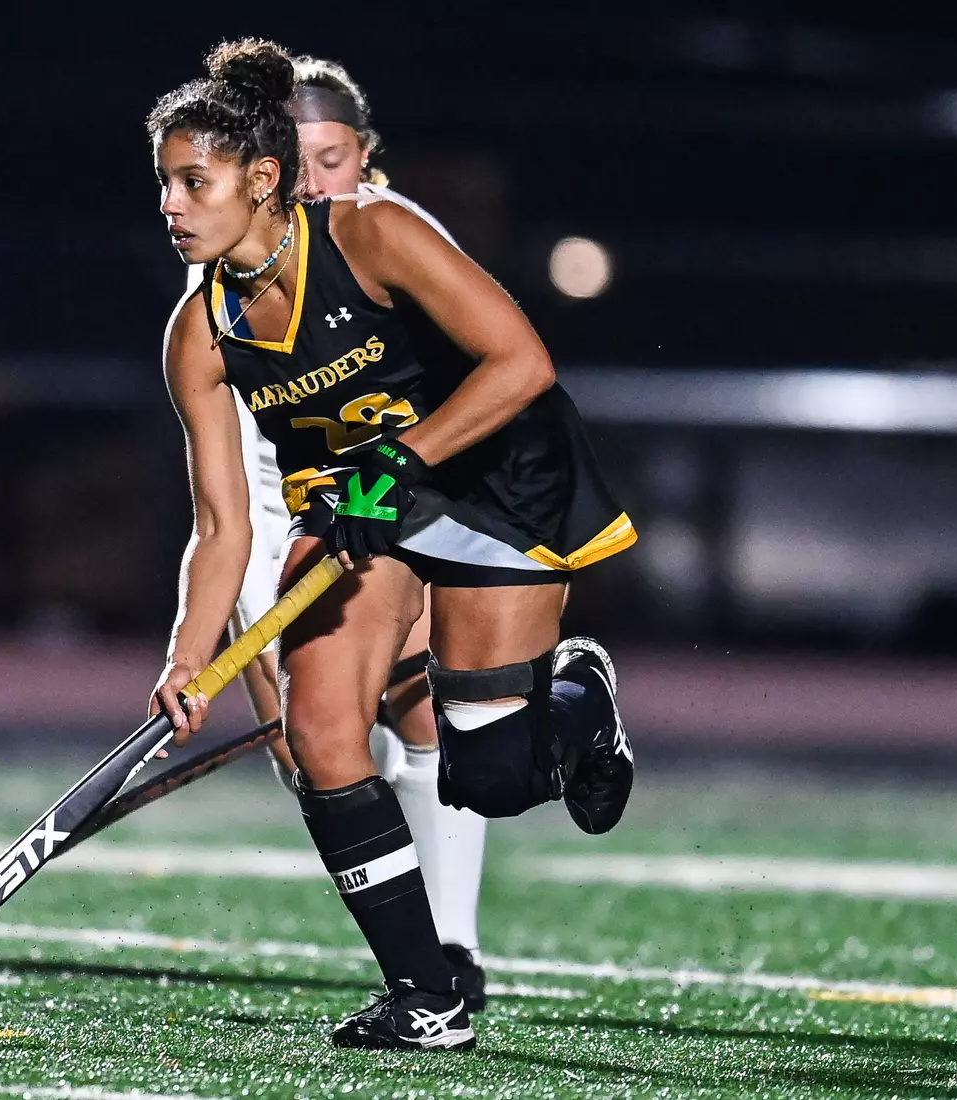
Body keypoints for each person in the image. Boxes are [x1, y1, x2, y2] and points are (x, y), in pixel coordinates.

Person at [148, 39, 635, 1050]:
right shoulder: (199, 334)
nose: (171, 205)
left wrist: (395, 463)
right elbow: (222, 525)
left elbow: (521, 363)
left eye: (194, 182)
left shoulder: (371, 231)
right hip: (362, 510)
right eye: (165, 183)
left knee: (488, 777)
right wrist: (186, 656)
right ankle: (427, 995)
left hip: (495, 481)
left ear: (262, 178)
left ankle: (577, 700)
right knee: (322, 734)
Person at [213, 54, 492, 1011]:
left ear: (366, 156)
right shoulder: (222, 273)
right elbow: (228, 496)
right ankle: (423, 965)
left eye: (330, 159)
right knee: (313, 751)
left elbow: (483, 390)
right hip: (289, 519)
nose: (311, 182)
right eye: (292, 163)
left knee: (436, 719)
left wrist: (394, 493)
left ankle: (449, 955)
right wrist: (210, 638)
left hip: (413, 501)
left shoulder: (389, 237)